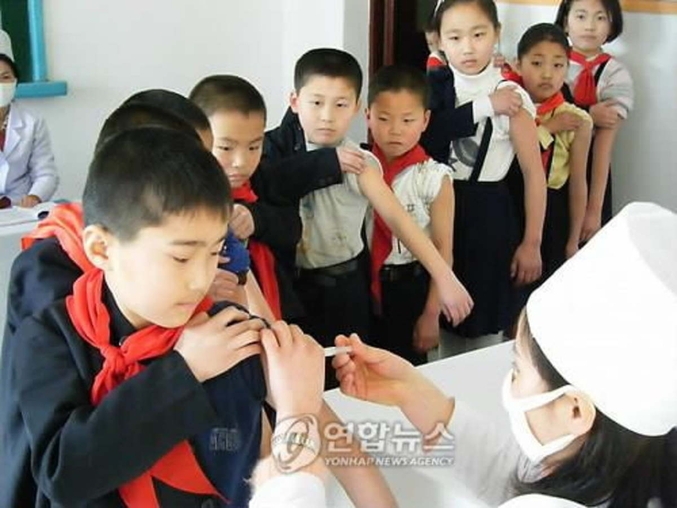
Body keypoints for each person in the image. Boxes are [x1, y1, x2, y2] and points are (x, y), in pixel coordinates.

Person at [0, 127, 397, 508]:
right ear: (102, 249)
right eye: (181, 257)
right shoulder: (49, 336)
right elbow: (64, 473)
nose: (200, 279)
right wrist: (184, 371)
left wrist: (300, 392)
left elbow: (330, 437)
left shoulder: (227, 328)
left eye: (213, 253)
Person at [249, 201, 677, 507]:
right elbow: (512, 478)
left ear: (575, 411)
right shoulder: (622, 473)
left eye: (517, 369)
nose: (509, 383)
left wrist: (294, 438)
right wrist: (411, 391)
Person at [264, 48, 472, 371]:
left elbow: (398, 219)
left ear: (357, 108)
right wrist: (326, 162)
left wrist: (446, 278)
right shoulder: (274, 150)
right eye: (316, 102)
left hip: (343, 291)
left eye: (340, 105)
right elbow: (271, 182)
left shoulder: (361, 161)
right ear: (295, 101)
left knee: (347, 376)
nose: (327, 116)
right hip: (290, 290)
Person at [427, 0, 546, 343]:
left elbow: (533, 174)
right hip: (433, 210)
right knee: (432, 321)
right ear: (439, 40)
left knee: (480, 325)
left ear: (496, 33)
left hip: (486, 216)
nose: (467, 47)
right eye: (455, 37)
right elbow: (427, 133)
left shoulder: (511, 96)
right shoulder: (432, 87)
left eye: (478, 35)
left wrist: (532, 242)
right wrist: (483, 107)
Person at [190, 74, 354, 321]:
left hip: (276, 305)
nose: (241, 162)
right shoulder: (186, 196)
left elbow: (292, 228)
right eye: (226, 148)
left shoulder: (262, 177)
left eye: (253, 147)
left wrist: (256, 219)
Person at [365, 63, 456, 365]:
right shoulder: (358, 166)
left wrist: (431, 314)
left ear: (425, 120)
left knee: (406, 371)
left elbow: (443, 250)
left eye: (407, 120)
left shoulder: (434, 177)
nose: (395, 130)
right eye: (383, 119)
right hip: (362, 284)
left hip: (410, 287)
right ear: (367, 116)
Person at [509, 23, 592, 279]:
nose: (547, 74)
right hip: (511, 204)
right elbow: (511, 155)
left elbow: (578, 183)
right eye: (537, 63)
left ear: (567, 68)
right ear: (518, 65)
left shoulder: (578, 120)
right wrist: (548, 128)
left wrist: (573, 240)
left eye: (557, 65)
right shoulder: (508, 107)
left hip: (554, 213)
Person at [554, 0, 633, 240]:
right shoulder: (549, 61)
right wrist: (588, 112)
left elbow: (603, 147)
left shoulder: (616, 73)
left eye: (600, 18)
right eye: (581, 16)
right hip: (550, 165)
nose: (590, 25)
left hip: (591, 172)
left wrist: (594, 209)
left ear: (612, 24)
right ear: (565, 22)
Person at [0, 30, 59, 207]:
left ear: (15, 82)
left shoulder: (32, 122)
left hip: (20, 206)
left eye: (5, 77)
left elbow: (46, 173)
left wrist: (35, 196)